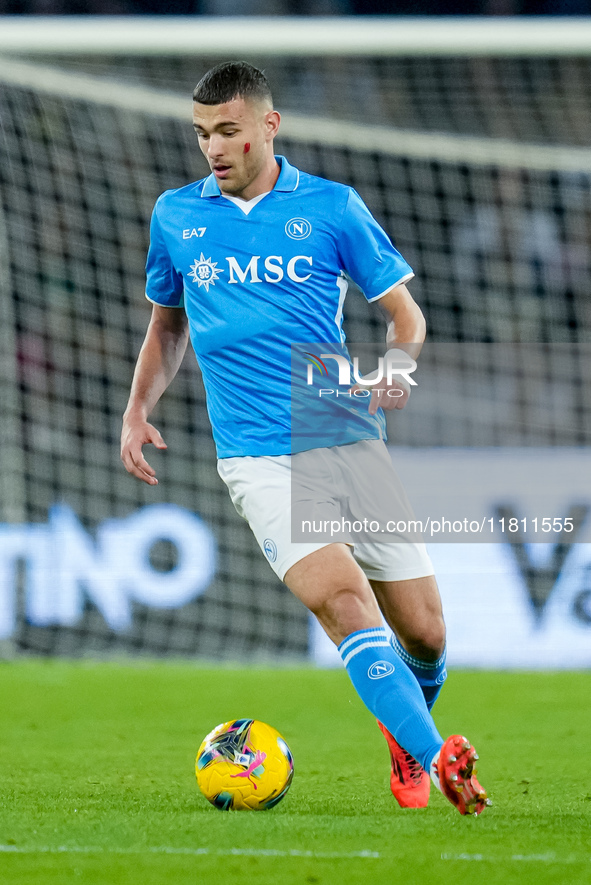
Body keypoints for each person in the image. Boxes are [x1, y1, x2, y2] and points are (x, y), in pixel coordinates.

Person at [121, 61, 489, 816]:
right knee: (346, 602)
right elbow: (167, 324)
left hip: (341, 429)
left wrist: (396, 370)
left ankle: (401, 729)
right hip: (257, 451)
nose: (213, 149)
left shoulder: (331, 208)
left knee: (423, 633)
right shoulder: (176, 216)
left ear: (268, 125)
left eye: (227, 131)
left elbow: (407, 319)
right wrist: (135, 410)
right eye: (201, 135)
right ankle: (433, 755)